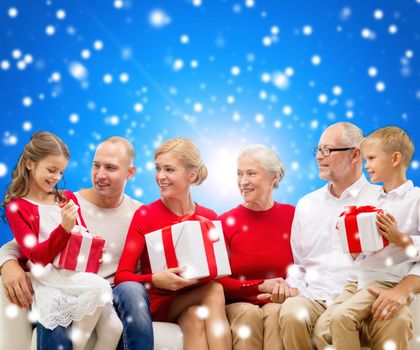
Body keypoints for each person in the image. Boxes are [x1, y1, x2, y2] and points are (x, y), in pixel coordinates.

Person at [0, 136, 153, 350]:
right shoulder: (65, 201)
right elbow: (21, 245)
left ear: (130, 173)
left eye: (110, 167)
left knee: (128, 298)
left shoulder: (141, 213)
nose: (100, 175)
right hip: (62, 281)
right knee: (56, 303)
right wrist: (6, 263)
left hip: (110, 291)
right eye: (96, 165)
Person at [115, 137, 232, 350]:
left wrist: (257, 286)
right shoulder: (146, 215)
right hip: (158, 301)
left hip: (191, 302)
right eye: (158, 168)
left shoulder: (208, 217)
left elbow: (221, 275)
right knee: (213, 290)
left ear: (192, 175)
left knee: (195, 317)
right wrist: (155, 280)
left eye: (169, 170)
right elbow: (122, 276)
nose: (161, 176)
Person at [313, 126, 420, 349]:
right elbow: (362, 254)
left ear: (395, 159)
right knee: (323, 330)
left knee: (342, 318)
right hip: (358, 280)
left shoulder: (415, 199)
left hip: (385, 280)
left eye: (371, 158)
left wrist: (399, 238)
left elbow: (403, 247)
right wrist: (350, 240)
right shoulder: (372, 200)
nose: (366, 165)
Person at [217, 144, 295, 350]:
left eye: (251, 173)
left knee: (276, 313)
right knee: (248, 314)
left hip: (278, 302)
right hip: (238, 304)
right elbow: (217, 282)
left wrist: (290, 291)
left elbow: (310, 266)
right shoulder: (224, 222)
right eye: (239, 174)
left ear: (273, 178)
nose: (243, 182)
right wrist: (260, 285)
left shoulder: (293, 217)